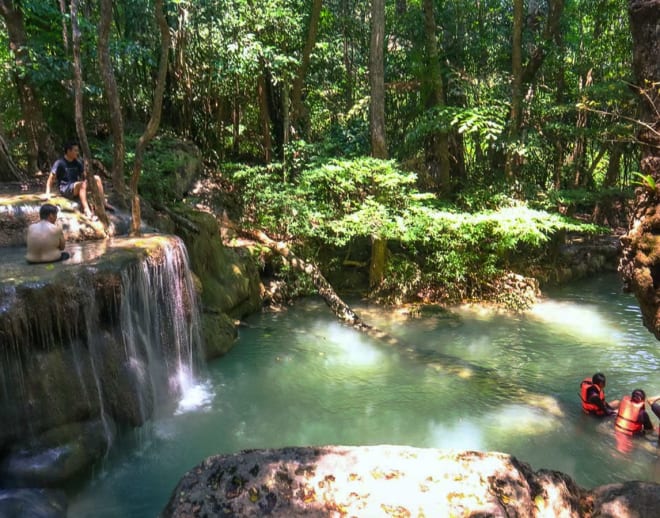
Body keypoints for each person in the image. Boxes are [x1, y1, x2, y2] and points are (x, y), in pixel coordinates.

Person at [45, 141, 114, 218]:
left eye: (78, 150)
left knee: (97, 178)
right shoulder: (59, 163)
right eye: (75, 150)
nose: (77, 153)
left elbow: (85, 176)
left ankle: (103, 203)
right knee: (82, 184)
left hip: (76, 186)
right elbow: (51, 178)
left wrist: (89, 178)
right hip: (65, 189)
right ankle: (86, 209)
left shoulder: (77, 162)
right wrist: (47, 193)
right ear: (68, 151)